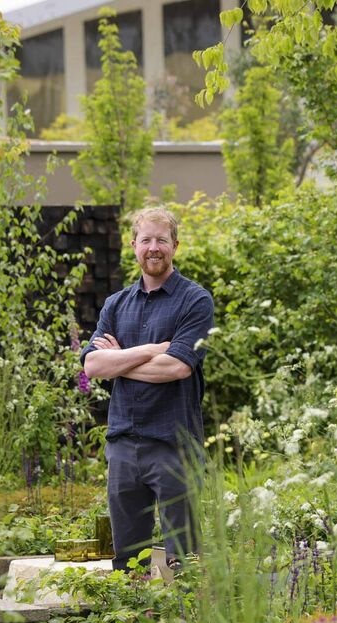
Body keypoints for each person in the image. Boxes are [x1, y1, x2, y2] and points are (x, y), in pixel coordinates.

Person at [79, 207, 214, 572]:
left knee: (183, 559)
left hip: (173, 445)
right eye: (146, 240)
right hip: (123, 445)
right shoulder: (115, 304)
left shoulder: (195, 301)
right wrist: (150, 351)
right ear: (133, 245)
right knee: (128, 561)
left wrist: (119, 362)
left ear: (175, 245)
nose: (154, 248)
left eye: (162, 240)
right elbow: (92, 366)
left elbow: (178, 366)